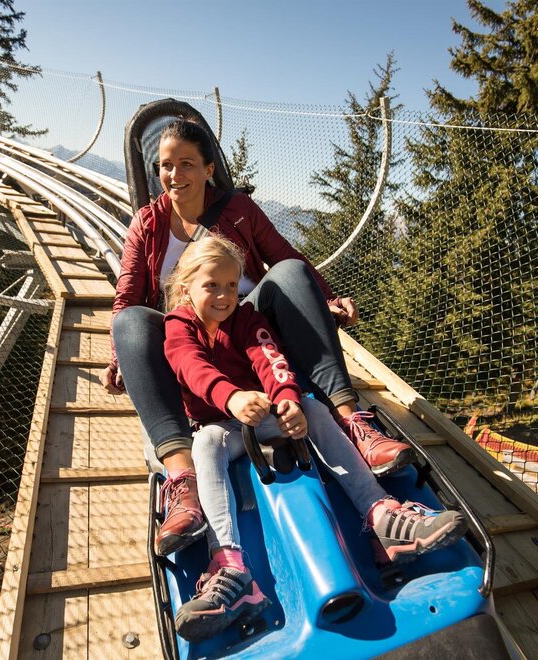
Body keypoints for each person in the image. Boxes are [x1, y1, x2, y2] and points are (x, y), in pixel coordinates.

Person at [101, 118, 415, 556]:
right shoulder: (148, 223)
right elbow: (127, 296)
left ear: (209, 169)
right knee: (130, 322)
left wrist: (326, 299)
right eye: (166, 165)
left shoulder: (239, 210)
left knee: (289, 271)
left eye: (186, 163)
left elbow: (284, 257)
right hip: (190, 336)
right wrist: (119, 358)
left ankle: (353, 423)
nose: (174, 175)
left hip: (250, 326)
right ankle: (183, 480)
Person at [161, 236, 467, 641]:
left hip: (265, 412)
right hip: (222, 423)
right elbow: (190, 365)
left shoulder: (247, 319)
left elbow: (271, 359)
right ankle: (230, 566)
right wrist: (231, 397)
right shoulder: (178, 326)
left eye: (232, 285)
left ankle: (381, 515)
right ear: (186, 289)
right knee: (204, 445)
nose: (224, 296)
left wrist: (287, 401)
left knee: (316, 410)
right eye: (212, 286)